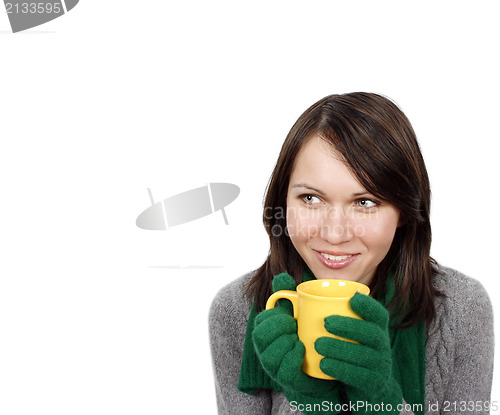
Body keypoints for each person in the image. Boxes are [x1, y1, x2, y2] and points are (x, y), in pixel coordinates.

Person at [209, 92, 494, 414]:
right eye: (311, 199)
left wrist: (380, 401)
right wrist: (314, 404)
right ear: (282, 201)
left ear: (403, 212)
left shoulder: (461, 308)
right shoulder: (237, 309)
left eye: (365, 202)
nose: (334, 233)